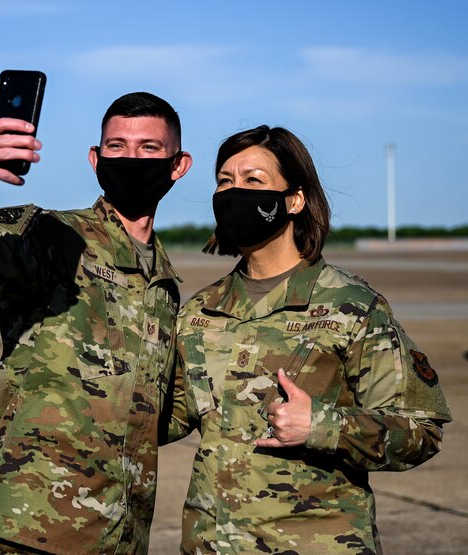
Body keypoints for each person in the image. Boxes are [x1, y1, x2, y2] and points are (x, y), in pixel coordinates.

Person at [0, 92, 192, 554]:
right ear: (95, 160)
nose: (131, 158)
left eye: (149, 148)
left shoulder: (163, 282)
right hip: (30, 531)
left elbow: (160, 409)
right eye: (116, 147)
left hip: (120, 536)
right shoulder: (54, 238)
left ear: (178, 165)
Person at [166, 125, 452, 553]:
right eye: (225, 181)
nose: (234, 192)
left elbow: (420, 430)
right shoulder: (200, 312)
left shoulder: (352, 305)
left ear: (295, 199)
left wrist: (323, 425)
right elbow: (169, 416)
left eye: (253, 180)